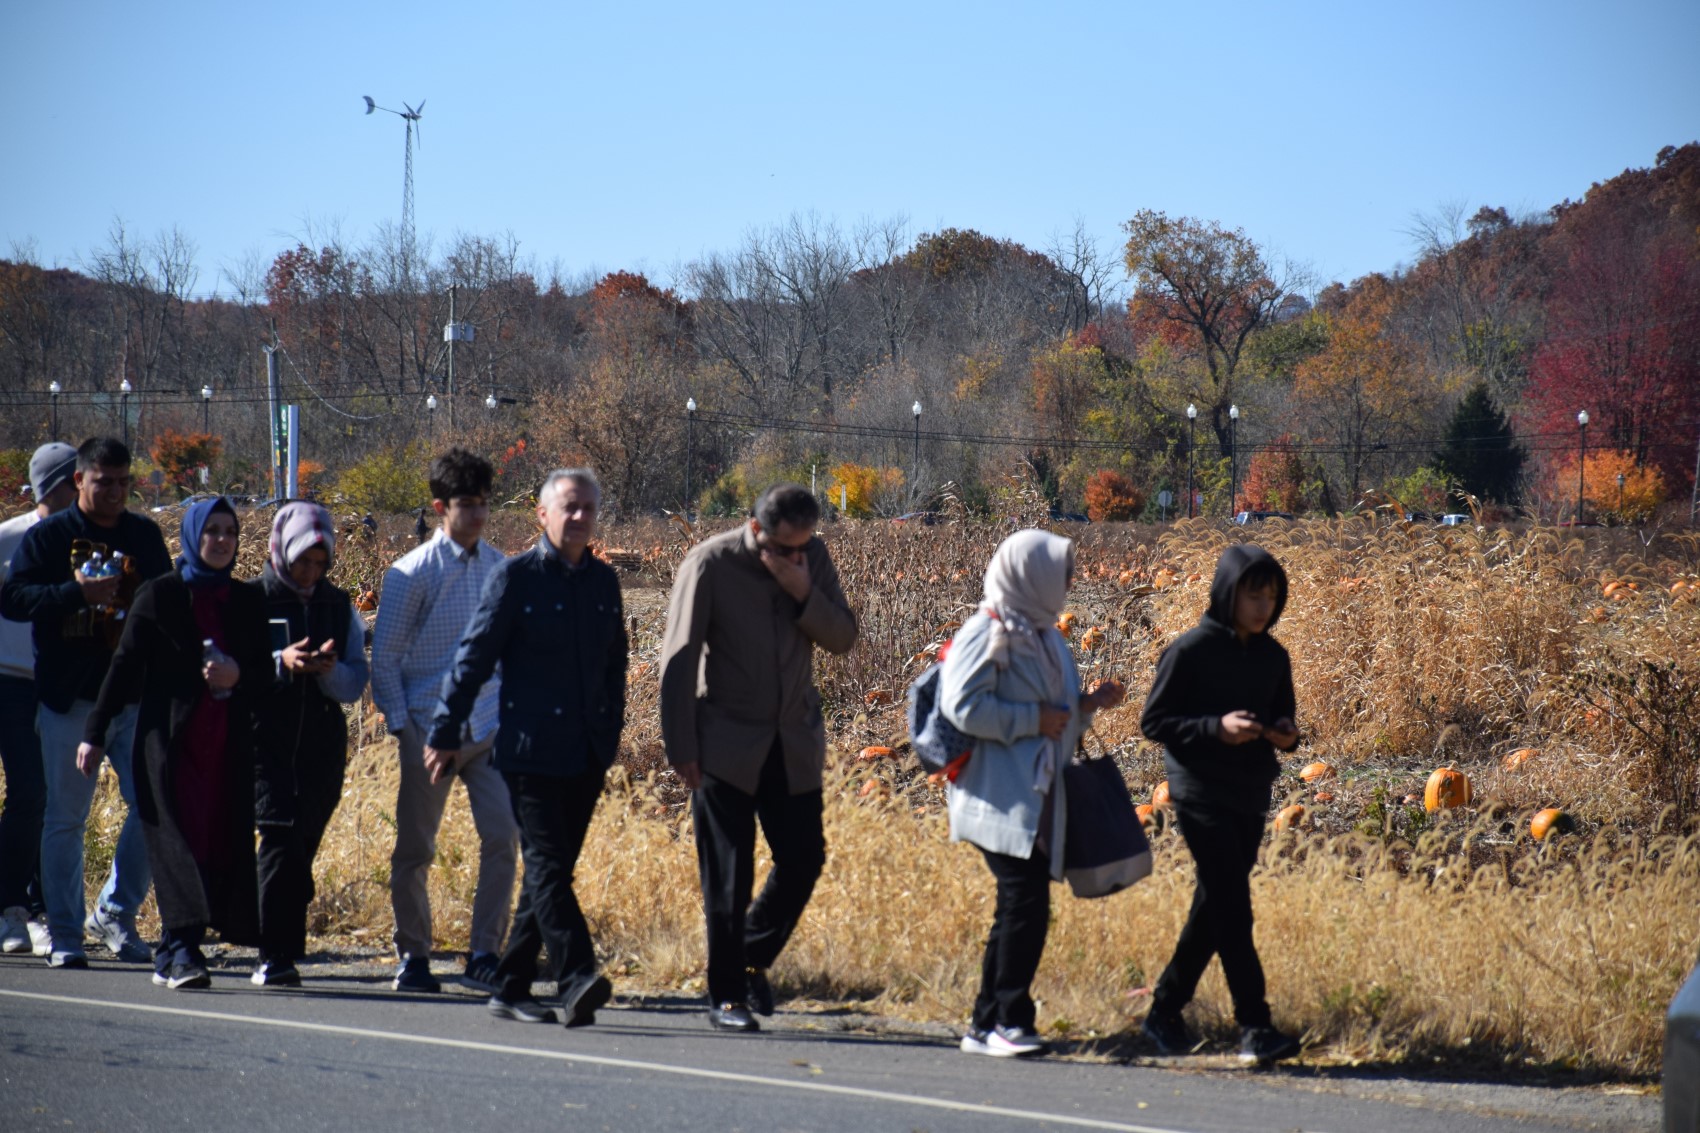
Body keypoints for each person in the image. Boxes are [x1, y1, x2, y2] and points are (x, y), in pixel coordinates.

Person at [427, 468, 626, 1028]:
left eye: (589, 507)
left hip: (585, 752)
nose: (580, 517)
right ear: (543, 514)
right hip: (528, 751)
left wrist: (609, 732)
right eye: (569, 507)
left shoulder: (603, 583)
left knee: (552, 869)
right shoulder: (515, 579)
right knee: (546, 865)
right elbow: (473, 658)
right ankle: (577, 975)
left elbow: (616, 665)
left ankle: (511, 984)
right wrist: (445, 731)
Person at [660, 482, 857, 1033]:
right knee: (729, 874)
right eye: (785, 548)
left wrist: (802, 591)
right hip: (723, 743)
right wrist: (682, 747)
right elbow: (678, 661)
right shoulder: (711, 564)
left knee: (804, 858)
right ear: (755, 530)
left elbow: (842, 637)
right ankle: (726, 996)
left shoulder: (812, 559)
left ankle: (747, 959)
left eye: (805, 545)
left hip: (791, 744)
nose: (799, 556)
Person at [936, 529, 1125, 1058]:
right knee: (1026, 903)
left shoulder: (1044, 634)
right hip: (997, 795)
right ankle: (1010, 1020)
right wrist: (1030, 719)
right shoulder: (989, 630)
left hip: (1034, 794)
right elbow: (961, 707)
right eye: (1061, 574)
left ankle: (985, 1023)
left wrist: (1088, 705)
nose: (1069, 582)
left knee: (1018, 905)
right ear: (1030, 575)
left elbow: (1057, 717)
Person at [78, 497, 272, 989]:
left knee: (214, 841)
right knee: (176, 841)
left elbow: (265, 678)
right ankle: (184, 949)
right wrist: (94, 734)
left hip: (225, 745)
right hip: (168, 742)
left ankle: (174, 949)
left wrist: (238, 672)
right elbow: (123, 668)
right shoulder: (161, 594)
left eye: (230, 531)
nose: (223, 540)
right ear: (191, 536)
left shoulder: (247, 601)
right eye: (212, 531)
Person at [0, 437, 172, 968]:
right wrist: (75, 594)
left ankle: (115, 913)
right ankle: (68, 932)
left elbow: (169, 601)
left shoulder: (142, 534)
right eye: (104, 482)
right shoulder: (50, 537)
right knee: (65, 819)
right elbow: (14, 598)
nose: (116, 491)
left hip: (131, 698)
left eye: (124, 482)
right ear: (79, 481)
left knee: (154, 806)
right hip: (66, 698)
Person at [1138, 543, 1304, 1066]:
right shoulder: (1189, 652)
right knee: (1234, 905)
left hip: (1249, 789)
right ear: (1228, 593)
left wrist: (1283, 735)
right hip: (1197, 787)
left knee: (1215, 905)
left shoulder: (1274, 657)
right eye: (1253, 594)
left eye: (1271, 596)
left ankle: (1163, 1011)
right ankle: (1255, 1027)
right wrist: (1216, 728)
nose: (1262, 606)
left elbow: (1286, 722)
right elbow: (1154, 723)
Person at [371, 449, 518, 994]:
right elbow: (384, 659)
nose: (478, 515)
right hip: (427, 730)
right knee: (416, 848)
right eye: (466, 505)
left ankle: (485, 953)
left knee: (503, 838)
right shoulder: (410, 574)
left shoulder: (500, 568)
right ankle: (413, 955)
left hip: (487, 728)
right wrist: (404, 730)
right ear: (440, 507)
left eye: (484, 504)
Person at [251, 502, 370, 987]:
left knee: (302, 843)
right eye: (303, 561)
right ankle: (274, 954)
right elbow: (231, 672)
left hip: (320, 743)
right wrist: (281, 662)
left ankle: (280, 938)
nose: (310, 573)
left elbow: (354, 680)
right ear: (282, 550)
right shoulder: (251, 600)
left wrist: (327, 673)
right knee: (278, 836)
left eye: (320, 564)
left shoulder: (338, 606)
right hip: (265, 739)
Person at [0, 443, 79, 955]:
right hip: (7, 681)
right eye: (79, 479)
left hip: (61, 682)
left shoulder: (89, 541)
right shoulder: (8, 537)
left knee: (51, 800)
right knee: (29, 792)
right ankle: (10, 908)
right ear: (56, 485)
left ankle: (36, 908)